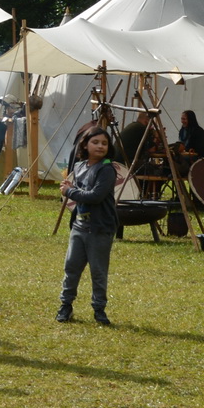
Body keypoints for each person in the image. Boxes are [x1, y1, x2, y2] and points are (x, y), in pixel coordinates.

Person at [58, 128, 118, 326]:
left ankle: (99, 310)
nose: (100, 146)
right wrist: (72, 188)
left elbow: (95, 196)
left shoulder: (107, 169)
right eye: (96, 142)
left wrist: (70, 191)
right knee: (71, 268)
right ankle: (65, 306)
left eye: (104, 143)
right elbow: (80, 191)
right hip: (79, 227)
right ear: (85, 145)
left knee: (98, 272)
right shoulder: (81, 166)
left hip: (100, 229)